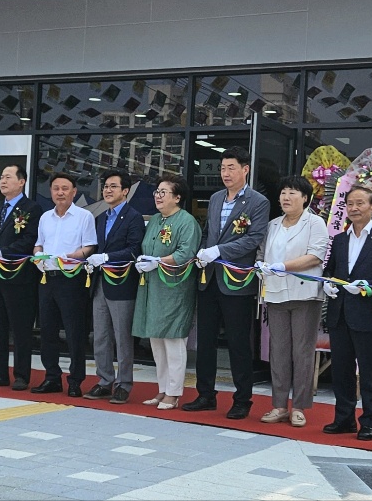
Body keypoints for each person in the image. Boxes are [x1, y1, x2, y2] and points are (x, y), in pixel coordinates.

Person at [184, 148, 269, 420]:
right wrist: (202, 251)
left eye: (231, 168)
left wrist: (219, 251)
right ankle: (205, 394)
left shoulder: (258, 202)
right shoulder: (215, 198)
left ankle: (242, 399)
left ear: (245, 169)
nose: (225, 173)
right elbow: (208, 232)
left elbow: (253, 238)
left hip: (236, 281)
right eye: (222, 168)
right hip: (209, 278)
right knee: (206, 341)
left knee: (238, 342)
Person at [322, 182, 372, 441]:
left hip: (368, 315)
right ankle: (343, 418)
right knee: (341, 370)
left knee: (369, 372)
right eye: (350, 204)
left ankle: (369, 421)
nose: (354, 208)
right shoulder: (340, 239)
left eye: (360, 203)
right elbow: (330, 269)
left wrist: (367, 285)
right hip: (340, 314)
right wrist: (327, 282)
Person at [258, 175, 329, 427]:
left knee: (302, 352)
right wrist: (261, 266)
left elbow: (315, 256)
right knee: (278, 351)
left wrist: (283, 266)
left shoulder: (315, 223)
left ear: (305, 198)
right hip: (276, 293)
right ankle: (279, 406)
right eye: (283, 193)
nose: (286, 197)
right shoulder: (273, 225)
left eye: (292, 193)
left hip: (305, 295)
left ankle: (299, 406)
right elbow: (261, 253)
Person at [131, 175, 200, 411]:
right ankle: (162, 388)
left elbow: (185, 253)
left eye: (163, 192)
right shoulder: (155, 220)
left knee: (173, 340)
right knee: (156, 340)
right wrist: (143, 260)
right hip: (152, 287)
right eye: (157, 192)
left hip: (174, 288)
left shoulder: (187, 221)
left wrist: (158, 261)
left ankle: (174, 392)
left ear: (177, 197)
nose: (158, 196)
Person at [33, 173, 98, 397]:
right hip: (47, 278)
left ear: (74, 192)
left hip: (72, 278)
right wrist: (38, 255)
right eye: (56, 188)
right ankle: (52, 377)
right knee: (47, 330)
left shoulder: (84, 216)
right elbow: (38, 244)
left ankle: (75, 380)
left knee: (74, 332)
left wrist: (69, 257)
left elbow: (89, 247)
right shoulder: (45, 217)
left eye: (65, 188)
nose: (60, 192)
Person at [84, 171, 146, 404]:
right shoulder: (100, 218)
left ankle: (124, 384)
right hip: (100, 283)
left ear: (125, 191)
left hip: (122, 284)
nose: (107, 190)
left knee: (122, 337)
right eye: (105, 187)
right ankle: (104, 380)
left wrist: (107, 257)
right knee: (100, 336)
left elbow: (134, 249)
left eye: (113, 186)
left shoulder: (133, 217)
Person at [0, 164, 40, 391]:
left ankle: (22, 375)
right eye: (1, 177)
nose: (3, 181)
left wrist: (2, 252)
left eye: (8, 177)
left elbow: (29, 240)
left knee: (20, 328)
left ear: (21, 182)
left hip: (19, 277)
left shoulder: (32, 208)